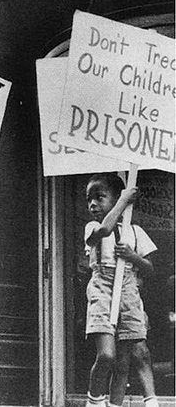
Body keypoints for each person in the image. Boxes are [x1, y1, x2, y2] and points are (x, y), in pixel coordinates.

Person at [84, 173, 158, 407]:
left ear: (115, 198)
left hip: (127, 289)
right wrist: (123, 200)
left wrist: (132, 256)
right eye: (89, 199)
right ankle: (95, 401)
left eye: (99, 197)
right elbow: (104, 232)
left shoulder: (134, 231)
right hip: (102, 289)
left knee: (125, 360)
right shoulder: (93, 227)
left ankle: (117, 404)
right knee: (107, 355)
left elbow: (150, 269)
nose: (93, 204)